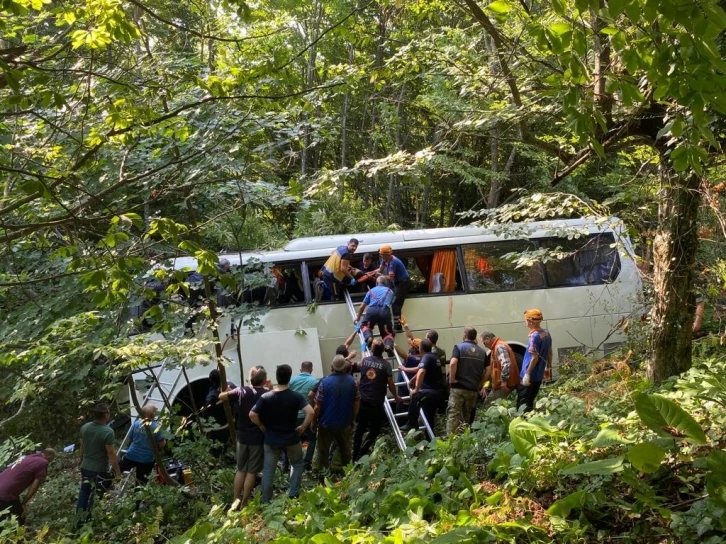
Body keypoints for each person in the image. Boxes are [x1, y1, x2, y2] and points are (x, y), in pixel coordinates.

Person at [250, 365, 313, 502]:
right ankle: (293, 493)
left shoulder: (266, 396)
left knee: (268, 470)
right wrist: (302, 427)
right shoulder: (295, 396)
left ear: (276, 377)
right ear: (290, 378)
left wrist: (261, 425)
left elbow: (252, 414)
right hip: (291, 437)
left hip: (271, 439)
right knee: (297, 463)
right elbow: (311, 412)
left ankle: (266, 500)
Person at [219, 366, 268, 509]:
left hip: (242, 437)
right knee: (252, 471)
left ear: (250, 379)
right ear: (264, 381)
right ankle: (245, 502)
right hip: (257, 438)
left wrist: (228, 391)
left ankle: (236, 500)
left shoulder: (241, 391)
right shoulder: (266, 394)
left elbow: (221, 396)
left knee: (241, 470)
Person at [353, 339, 401, 461]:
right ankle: (362, 453)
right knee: (375, 429)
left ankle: (354, 456)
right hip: (377, 403)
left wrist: (363, 349)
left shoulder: (365, 361)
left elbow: (362, 360)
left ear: (372, 349)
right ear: (383, 350)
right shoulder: (386, 365)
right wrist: (395, 396)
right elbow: (390, 384)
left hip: (363, 401)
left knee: (360, 429)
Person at [312, 355, 360, 474]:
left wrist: (314, 421)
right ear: (345, 367)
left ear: (332, 367)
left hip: (326, 423)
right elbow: (356, 402)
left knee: (323, 451)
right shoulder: (352, 382)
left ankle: (323, 479)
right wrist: (353, 419)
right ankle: (348, 477)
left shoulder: (324, 382)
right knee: (345, 451)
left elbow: (317, 405)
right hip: (344, 423)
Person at [76, 403, 121, 523]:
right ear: (106, 415)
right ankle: (90, 520)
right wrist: (117, 471)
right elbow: (111, 454)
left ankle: (79, 519)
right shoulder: (107, 432)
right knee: (96, 494)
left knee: (84, 492)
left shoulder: (85, 427)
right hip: (99, 469)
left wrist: (80, 460)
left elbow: (82, 446)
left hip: (86, 467)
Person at [447, 327, 488, 435]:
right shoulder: (482, 352)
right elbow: (488, 369)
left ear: (464, 335)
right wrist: (480, 382)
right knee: (467, 415)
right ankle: (465, 439)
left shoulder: (459, 347)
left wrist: (452, 379)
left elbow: (453, 363)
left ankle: (450, 441)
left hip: (458, 387)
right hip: (473, 389)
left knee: (453, 414)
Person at [400, 339, 447, 434]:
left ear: (421, 348)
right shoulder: (433, 356)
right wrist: (413, 380)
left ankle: (412, 423)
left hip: (432, 392)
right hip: (439, 392)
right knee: (429, 414)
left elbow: (421, 371)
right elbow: (419, 369)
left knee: (415, 396)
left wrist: (416, 389)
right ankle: (430, 438)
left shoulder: (426, 357)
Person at [0, 448, 55, 524]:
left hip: (4, 487)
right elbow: (34, 486)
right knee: (20, 515)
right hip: (4, 492)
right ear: (49, 457)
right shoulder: (43, 462)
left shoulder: (28, 457)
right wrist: (24, 503)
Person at [119, 404, 166, 485]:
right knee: (141, 482)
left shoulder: (136, 423)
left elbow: (130, 437)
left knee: (117, 471)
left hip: (131, 455)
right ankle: (138, 496)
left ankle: (104, 486)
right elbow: (162, 444)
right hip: (146, 459)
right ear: (152, 415)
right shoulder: (156, 427)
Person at [518, 309, 553, 412]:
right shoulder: (546, 333)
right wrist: (548, 366)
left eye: (526, 320)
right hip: (538, 375)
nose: (525, 322)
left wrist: (527, 374)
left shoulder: (534, 337)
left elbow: (534, 357)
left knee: (523, 403)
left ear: (530, 321)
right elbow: (550, 351)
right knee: (530, 400)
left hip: (530, 376)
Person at [288, 362, 319, 470]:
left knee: (291, 440)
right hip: (307, 416)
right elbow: (315, 399)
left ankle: (288, 463)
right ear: (311, 370)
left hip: (294, 416)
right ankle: (306, 463)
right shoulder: (315, 381)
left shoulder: (292, 381)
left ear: (301, 369)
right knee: (312, 439)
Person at [479, 332, 520, 407]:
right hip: (501, 385)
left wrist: (504, 382)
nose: (484, 345)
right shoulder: (495, 348)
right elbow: (493, 372)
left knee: (488, 405)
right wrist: (485, 386)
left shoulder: (499, 347)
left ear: (488, 338)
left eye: (484, 343)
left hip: (504, 385)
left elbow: (506, 364)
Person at [377, 245, 411, 331]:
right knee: (392, 302)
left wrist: (381, 276)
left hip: (403, 283)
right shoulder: (384, 260)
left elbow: (390, 277)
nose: (381, 256)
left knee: (396, 305)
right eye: (381, 255)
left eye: (383, 255)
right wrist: (369, 274)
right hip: (397, 283)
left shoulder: (393, 262)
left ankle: (397, 326)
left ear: (387, 255)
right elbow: (379, 270)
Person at [354, 276, 395, 342]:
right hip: (384, 312)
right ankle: (388, 345)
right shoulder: (390, 291)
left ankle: (369, 337)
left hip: (372, 312)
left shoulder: (371, 291)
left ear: (377, 282)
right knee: (387, 333)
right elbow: (390, 304)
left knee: (365, 326)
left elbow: (362, 307)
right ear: (386, 283)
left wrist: (358, 318)